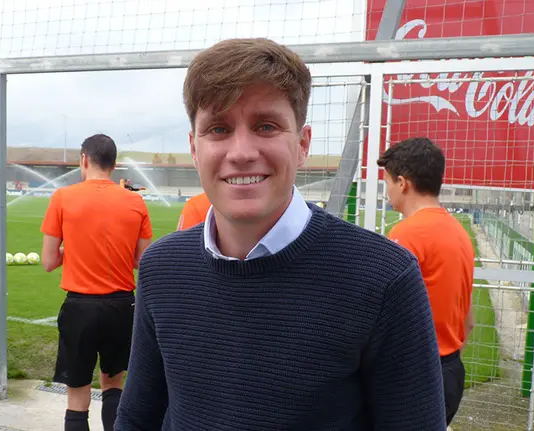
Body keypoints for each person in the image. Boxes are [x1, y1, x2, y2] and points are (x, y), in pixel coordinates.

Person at [116, 38, 447, 430]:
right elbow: (138, 418)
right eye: (218, 128)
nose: (240, 152)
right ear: (194, 147)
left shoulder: (384, 279)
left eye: (266, 126)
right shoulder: (161, 268)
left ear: (302, 144)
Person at [40, 134, 153, 431]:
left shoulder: (63, 197)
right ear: (114, 165)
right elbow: (142, 260)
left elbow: (49, 261)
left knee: (77, 395)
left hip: (80, 308)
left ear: (84, 159)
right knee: (114, 385)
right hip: (122, 306)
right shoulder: (135, 201)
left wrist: (73, 250)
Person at [378, 136, 476, 426]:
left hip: (415, 374)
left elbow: (382, 319)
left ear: (403, 183)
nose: (387, 193)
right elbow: (467, 320)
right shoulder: (460, 233)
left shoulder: (406, 236)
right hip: (450, 371)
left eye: (387, 184)